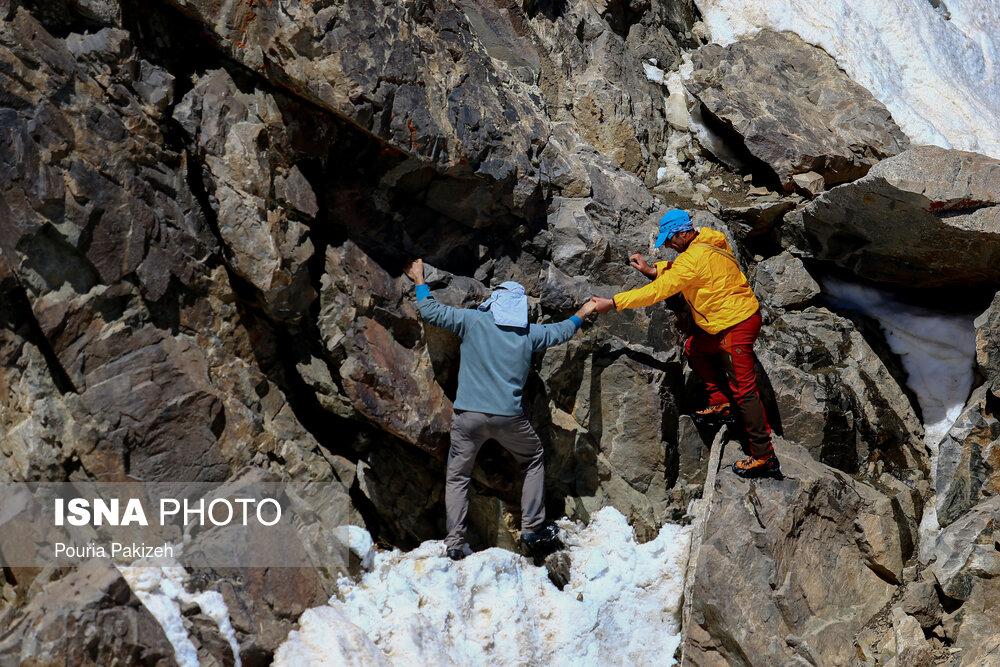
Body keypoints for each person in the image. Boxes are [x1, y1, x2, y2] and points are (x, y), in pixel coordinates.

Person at [404, 259, 596, 560]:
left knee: (458, 476)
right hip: (510, 420)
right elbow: (560, 332)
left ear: (495, 302)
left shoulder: (472, 321)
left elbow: (429, 311)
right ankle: (532, 528)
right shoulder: (529, 334)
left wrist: (419, 277)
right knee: (533, 458)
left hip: (468, 417)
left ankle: (455, 542)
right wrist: (582, 314)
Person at [590, 209, 780, 478]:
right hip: (739, 316)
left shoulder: (691, 260)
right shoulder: (712, 238)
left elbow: (660, 290)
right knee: (696, 348)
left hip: (733, 326)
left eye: (669, 239)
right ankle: (720, 403)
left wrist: (613, 302)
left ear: (682, 233)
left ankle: (764, 457)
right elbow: (688, 271)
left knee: (745, 391)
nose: (667, 245)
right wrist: (655, 269)